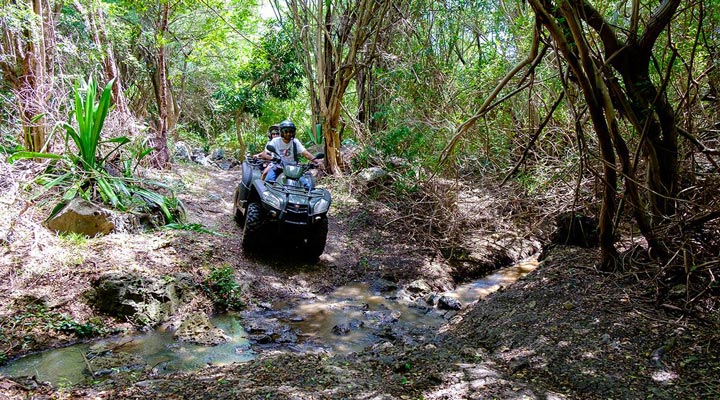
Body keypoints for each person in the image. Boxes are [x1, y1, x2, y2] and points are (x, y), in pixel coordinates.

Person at [263, 120, 320, 187]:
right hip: (278, 167)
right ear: (281, 132)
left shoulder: (295, 142)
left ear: (294, 132)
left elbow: (306, 154)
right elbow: (265, 154)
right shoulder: (275, 141)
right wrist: (273, 158)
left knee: (308, 187)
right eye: (286, 131)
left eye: (291, 131)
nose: (288, 133)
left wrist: (317, 161)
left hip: (293, 169)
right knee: (268, 183)